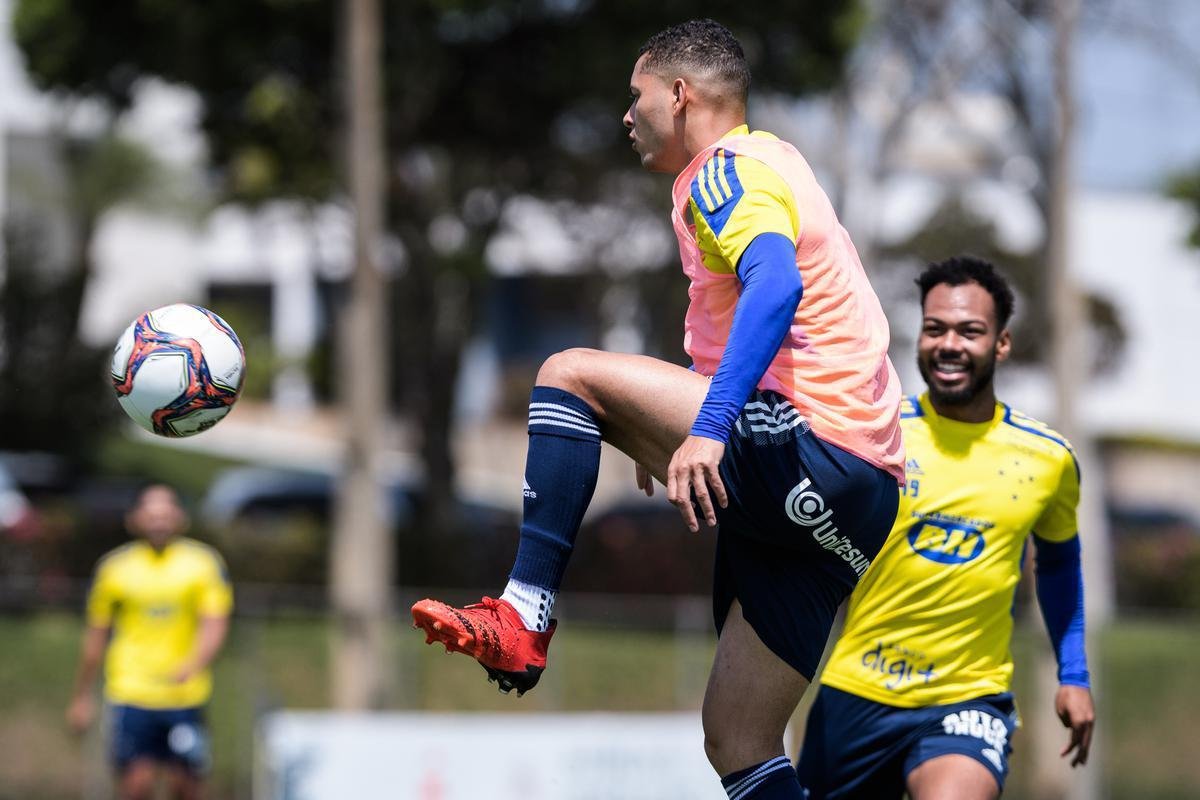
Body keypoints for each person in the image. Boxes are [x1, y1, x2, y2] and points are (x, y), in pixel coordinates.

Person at [412, 19, 903, 798]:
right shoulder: (775, 160)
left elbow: (777, 286)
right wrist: (661, 419)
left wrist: (707, 425)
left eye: (635, 96)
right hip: (863, 496)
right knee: (738, 740)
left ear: (678, 96)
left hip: (809, 445)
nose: (626, 115)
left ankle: (522, 615)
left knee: (568, 373)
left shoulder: (724, 172)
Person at [795, 256, 1096, 799]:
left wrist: (1073, 675)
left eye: (969, 331)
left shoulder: (1049, 459)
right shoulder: (873, 434)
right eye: (935, 329)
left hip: (968, 698)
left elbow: (1058, 566)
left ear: (1001, 344)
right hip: (855, 692)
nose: (949, 344)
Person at [66, 483, 232, 800]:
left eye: (166, 514)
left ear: (181, 518)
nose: (159, 522)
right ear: (134, 520)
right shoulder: (114, 568)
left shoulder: (203, 563)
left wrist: (195, 662)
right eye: (152, 515)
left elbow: (215, 623)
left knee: (185, 785)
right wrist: (82, 695)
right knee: (136, 784)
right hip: (130, 692)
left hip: (185, 695)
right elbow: (96, 635)